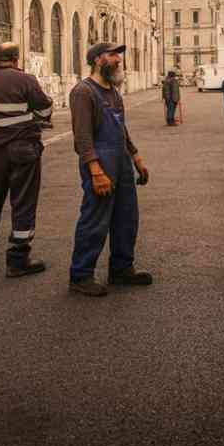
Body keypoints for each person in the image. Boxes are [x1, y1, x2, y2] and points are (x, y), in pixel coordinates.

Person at [67, 42, 153, 296]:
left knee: (126, 218)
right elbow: (82, 137)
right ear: (97, 60)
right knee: (95, 220)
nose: (119, 59)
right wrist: (95, 170)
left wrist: (136, 157)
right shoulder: (83, 92)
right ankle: (81, 275)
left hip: (121, 161)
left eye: (119, 55)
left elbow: (121, 128)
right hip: (100, 161)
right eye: (113, 55)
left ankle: (121, 269)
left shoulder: (113, 92)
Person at [0, 42, 52, 277]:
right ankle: (18, 260)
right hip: (22, 149)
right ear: (16, 58)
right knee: (23, 202)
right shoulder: (25, 80)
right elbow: (45, 110)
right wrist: (28, 118)